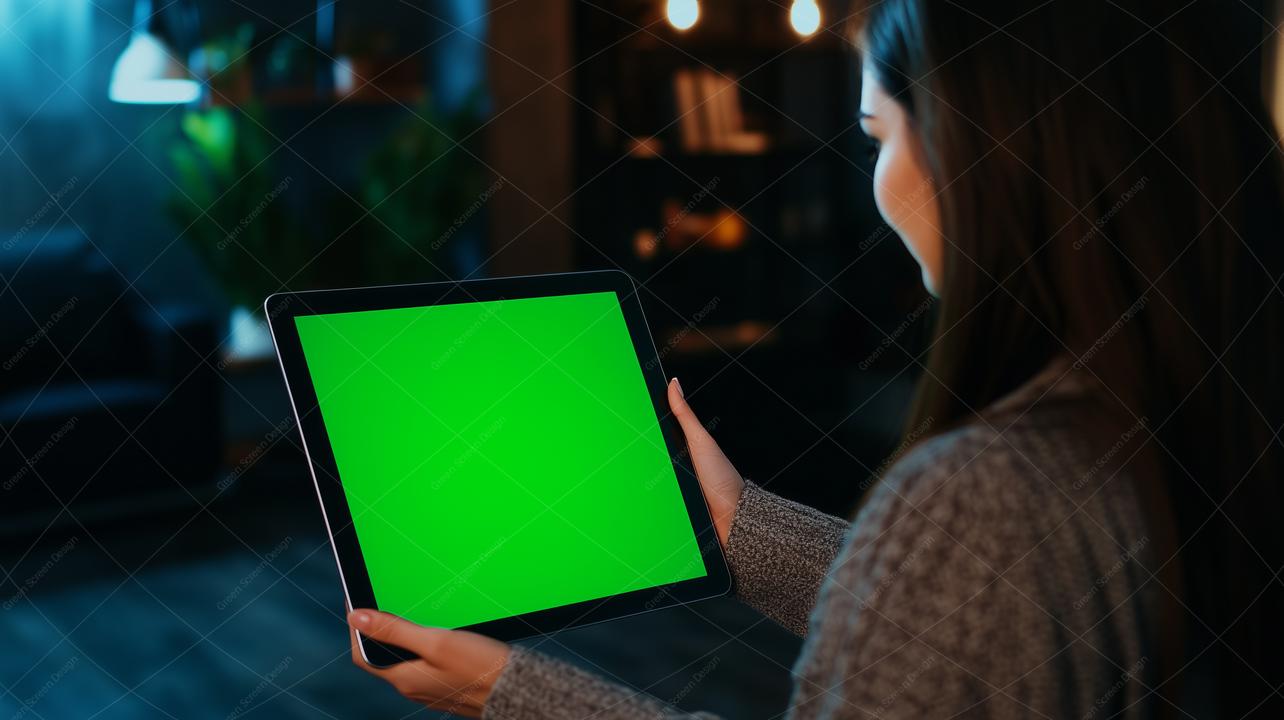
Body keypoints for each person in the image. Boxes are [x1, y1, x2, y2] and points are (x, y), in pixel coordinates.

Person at [345, 1, 1284, 717]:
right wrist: (735, 523)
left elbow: (962, 571)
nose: (879, 184)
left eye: (876, 135)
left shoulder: (979, 489)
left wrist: (506, 691)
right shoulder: (1175, 402)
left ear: (977, 153)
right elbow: (960, 620)